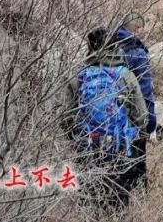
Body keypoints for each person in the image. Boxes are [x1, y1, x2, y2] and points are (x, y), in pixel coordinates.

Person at [63, 28, 148, 208]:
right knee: (118, 201)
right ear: (114, 46)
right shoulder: (126, 75)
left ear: (90, 47)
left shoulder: (78, 76)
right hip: (119, 147)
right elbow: (141, 117)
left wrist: (75, 139)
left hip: (87, 147)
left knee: (89, 199)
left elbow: (65, 118)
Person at [113, 15, 156, 191]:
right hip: (133, 118)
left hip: (108, 118)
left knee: (115, 163)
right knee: (136, 163)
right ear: (137, 29)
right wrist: (150, 124)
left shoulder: (109, 46)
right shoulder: (136, 52)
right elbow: (145, 90)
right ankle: (137, 201)